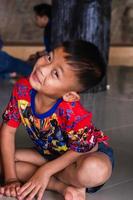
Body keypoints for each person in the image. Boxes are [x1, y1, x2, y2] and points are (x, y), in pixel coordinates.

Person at [0, 40, 114, 200]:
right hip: (47, 154)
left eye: (55, 73)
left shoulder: (71, 111)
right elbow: (8, 130)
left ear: (69, 95)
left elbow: (84, 148)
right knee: (4, 162)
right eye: (49, 57)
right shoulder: (22, 89)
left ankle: (49, 174)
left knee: (95, 169)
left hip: (80, 156)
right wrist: (10, 178)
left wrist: (45, 170)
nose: (43, 68)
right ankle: (63, 187)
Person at [0, 3, 51, 78]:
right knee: (20, 66)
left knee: (23, 65)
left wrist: (38, 55)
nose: (35, 21)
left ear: (45, 18)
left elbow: (52, 50)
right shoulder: (51, 29)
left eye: (36, 18)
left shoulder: (51, 29)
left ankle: (13, 74)